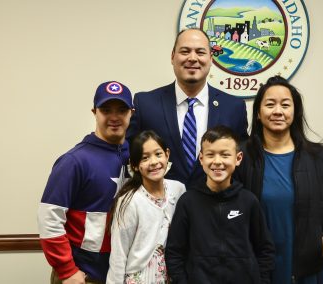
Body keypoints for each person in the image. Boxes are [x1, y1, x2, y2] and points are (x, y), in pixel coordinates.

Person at [235, 76, 323, 284]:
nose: (278, 111)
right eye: (270, 104)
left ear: (295, 112)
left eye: (285, 105)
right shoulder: (241, 157)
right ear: (259, 114)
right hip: (256, 269)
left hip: (308, 268)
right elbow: (226, 209)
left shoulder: (318, 157)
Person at [38, 81, 134, 284]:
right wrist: (67, 271)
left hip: (122, 274)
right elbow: (49, 219)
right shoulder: (74, 161)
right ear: (94, 112)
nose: (115, 117)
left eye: (122, 110)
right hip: (83, 276)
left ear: (131, 113)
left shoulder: (138, 156)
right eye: (106, 110)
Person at [127, 28, 248, 187]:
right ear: (172, 57)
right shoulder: (145, 104)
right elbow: (129, 154)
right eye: (185, 51)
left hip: (215, 207)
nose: (192, 58)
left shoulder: (233, 107)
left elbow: (242, 165)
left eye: (200, 52)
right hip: (160, 207)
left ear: (211, 58)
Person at [165, 125, 275, 284]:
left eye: (225, 155)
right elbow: (174, 252)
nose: (217, 161)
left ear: (238, 159)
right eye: (210, 155)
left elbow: (265, 250)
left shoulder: (249, 201)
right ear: (201, 159)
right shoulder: (188, 202)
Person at [106, 130, 186, 284]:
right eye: (145, 158)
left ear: (167, 154)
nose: (154, 162)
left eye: (158, 154)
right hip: (139, 278)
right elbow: (118, 254)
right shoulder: (129, 201)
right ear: (135, 165)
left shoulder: (179, 190)